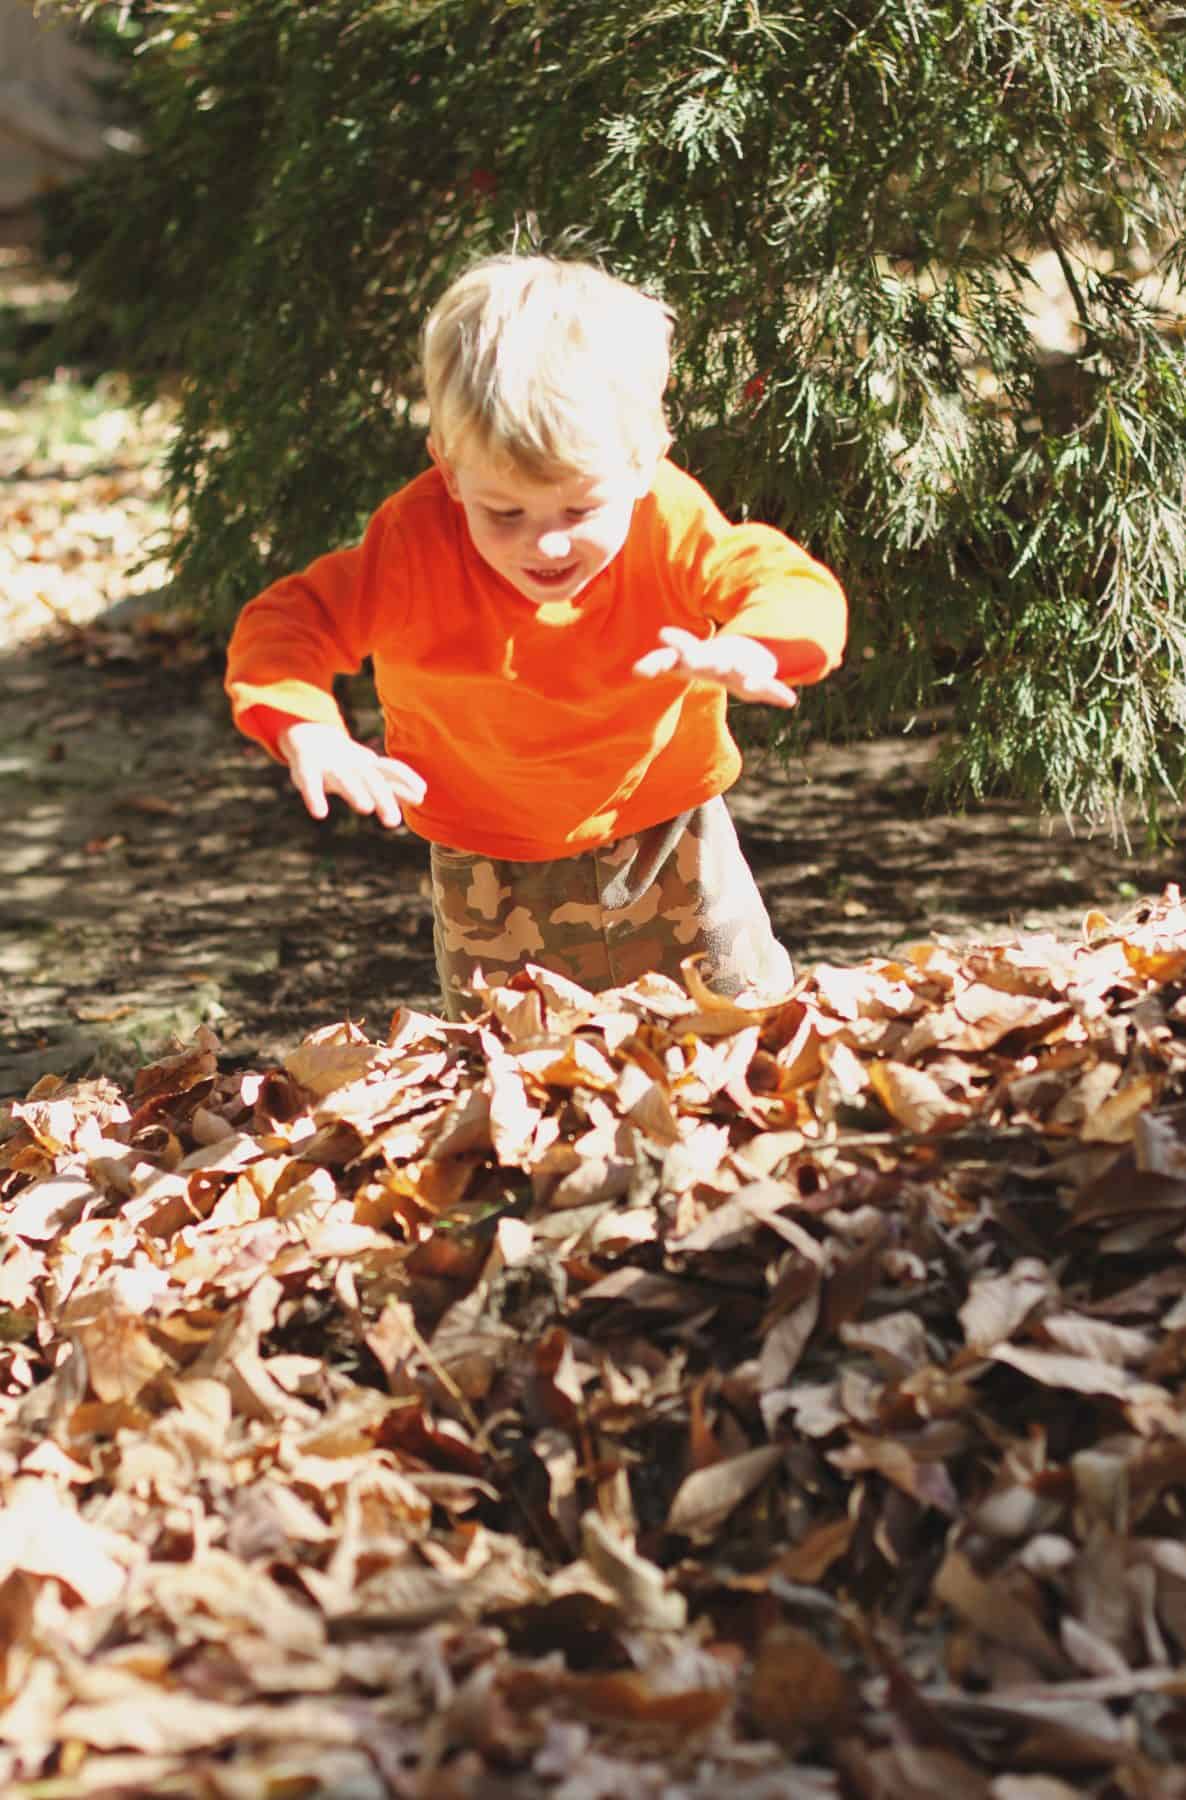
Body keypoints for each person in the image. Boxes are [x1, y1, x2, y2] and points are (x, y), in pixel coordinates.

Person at [225, 254, 847, 1019]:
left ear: (645, 461)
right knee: (511, 1058)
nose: (544, 546)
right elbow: (290, 623)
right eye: (505, 513)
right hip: (487, 857)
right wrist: (305, 728)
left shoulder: (668, 516)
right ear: (450, 474)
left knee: (741, 1022)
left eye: (578, 512)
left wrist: (756, 644)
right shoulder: (416, 542)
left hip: (668, 827)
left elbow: (786, 580)